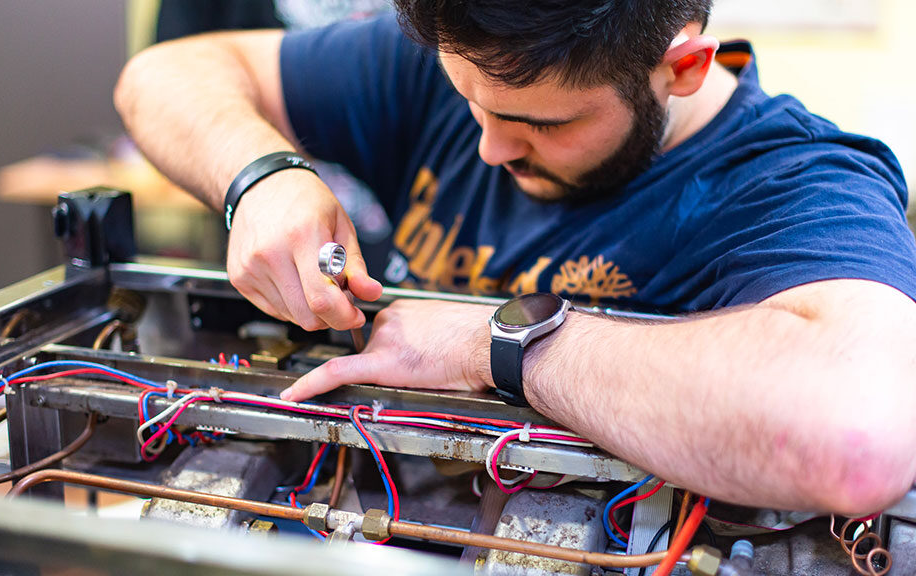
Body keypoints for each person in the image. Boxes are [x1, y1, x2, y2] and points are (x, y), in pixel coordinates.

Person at [114, 1, 916, 516]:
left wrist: (489, 343)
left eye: (545, 123)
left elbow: (858, 442)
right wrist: (262, 176)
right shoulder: (465, 61)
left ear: (682, 69)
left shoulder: (794, 180)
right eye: (471, 103)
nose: (490, 147)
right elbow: (164, 74)